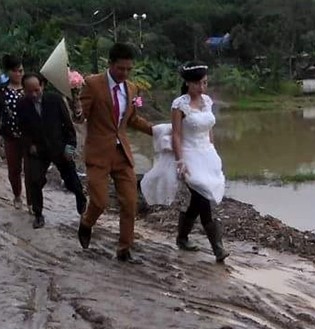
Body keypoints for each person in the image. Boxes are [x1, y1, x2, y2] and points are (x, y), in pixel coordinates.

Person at [73, 42, 152, 263]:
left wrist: (156, 131)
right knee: (100, 202)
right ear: (110, 65)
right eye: (120, 69)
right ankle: (86, 222)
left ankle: (124, 249)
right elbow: (81, 116)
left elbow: (132, 119)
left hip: (122, 153)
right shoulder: (93, 84)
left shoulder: (132, 88)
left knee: (130, 202)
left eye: (129, 69)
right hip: (98, 153)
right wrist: (77, 111)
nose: (124, 73)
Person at [171, 62, 228, 263]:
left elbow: (209, 127)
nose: (202, 88)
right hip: (189, 155)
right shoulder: (179, 105)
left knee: (198, 198)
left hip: (207, 154)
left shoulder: (207, 101)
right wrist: (180, 160)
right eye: (198, 84)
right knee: (203, 196)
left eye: (205, 83)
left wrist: (213, 149)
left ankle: (182, 237)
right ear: (188, 83)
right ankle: (217, 248)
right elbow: (176, 135)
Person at [16, 73, 87, 230]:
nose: (34, 95)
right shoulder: (22, 105)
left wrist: (70, 146)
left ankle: (81, 201)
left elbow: (68, 126)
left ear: (42, 86)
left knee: (71, 180)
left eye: (36, 90)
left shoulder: (55, 100)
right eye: (29, 91)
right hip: (38, 149)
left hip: (59, 147)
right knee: (34, 181)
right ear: (24, 91)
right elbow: (22, 128)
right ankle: (38, 214)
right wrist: (29, 145)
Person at [0, 55, 29, 209]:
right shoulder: (0, 90)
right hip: (10, 135)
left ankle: (33, 201)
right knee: (14, 168)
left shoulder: (30, 88)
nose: (19, 74)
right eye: (15, 71)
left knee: (31, 170)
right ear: (8, 72)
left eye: (21, 70)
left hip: (29, 136)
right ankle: (17, 195)